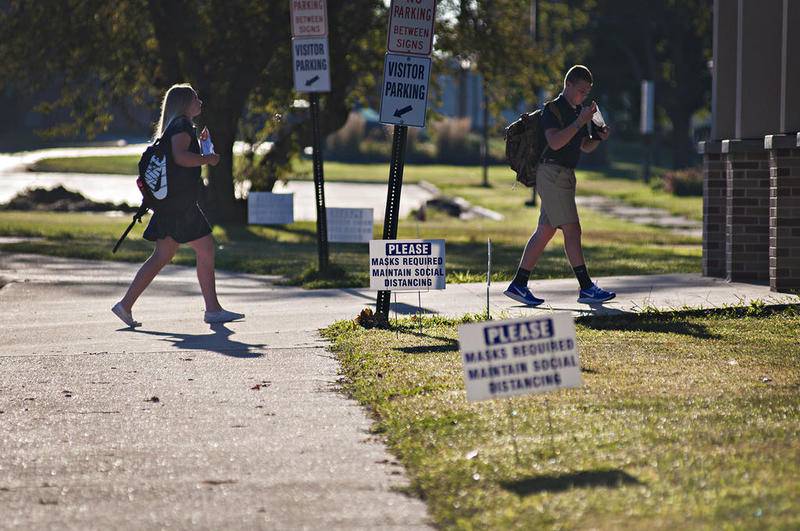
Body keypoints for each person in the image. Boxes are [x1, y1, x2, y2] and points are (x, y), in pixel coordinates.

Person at [112, 83, 244, 327]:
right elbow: (181, 157)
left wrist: (204, 148)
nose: (200, 102)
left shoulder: (175, 126)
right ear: (184, 103)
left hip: (170, 204)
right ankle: (213, 310)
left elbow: (178, 157)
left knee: (163, 255)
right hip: (180, 205)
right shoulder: (182, 125)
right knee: (205, 249)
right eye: (196, 98)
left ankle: (124, 305)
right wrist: (209, 159)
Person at [504, 65, 616, 306]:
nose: (583, 96)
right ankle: (586, 287)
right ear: (568, 85)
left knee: (545, 231)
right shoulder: (552, 110)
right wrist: (579, 122)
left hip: (565, 175)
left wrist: (597, 137)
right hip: (552, 173)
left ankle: (519, 284)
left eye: (587, 92)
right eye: (581, 91)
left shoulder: (577, 111)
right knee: (573, 230)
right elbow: (554, 142)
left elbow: (583, 146)